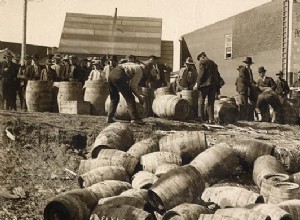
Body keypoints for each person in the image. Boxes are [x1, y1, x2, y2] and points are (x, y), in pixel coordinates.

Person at [107, 55, 144, 124]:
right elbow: (132, 86)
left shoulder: (129, 65)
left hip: (111, 74)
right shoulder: (139, 69)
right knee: (130, 98)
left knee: (114, 98)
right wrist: (139, 97)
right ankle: (135, 119)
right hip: (119, 76)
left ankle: (109, 117)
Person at [194, 52, 221, 124]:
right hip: (213, 85)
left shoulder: (202, 62)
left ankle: (200, 118)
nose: (199, 61)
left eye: (199, 59)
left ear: (202, 57)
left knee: (201, 101)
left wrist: (197, 84)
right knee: (211, 102)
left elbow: (201, 74)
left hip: (205, 85)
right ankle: (211, 119)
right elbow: (218, 75)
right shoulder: (214, 64)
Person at [236, 56, 255, 121]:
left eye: (249, 64)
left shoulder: (250, 70)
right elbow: (243, 79)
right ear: (245, 63)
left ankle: (246, 118)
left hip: (248, 89)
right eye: (247, 64)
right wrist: (251, 84)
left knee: (246, 104)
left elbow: (251, 79)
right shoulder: (242, 70)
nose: (248, 65)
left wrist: (253, 83)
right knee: (243, 104)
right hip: (243, 89)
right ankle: (242, 119)